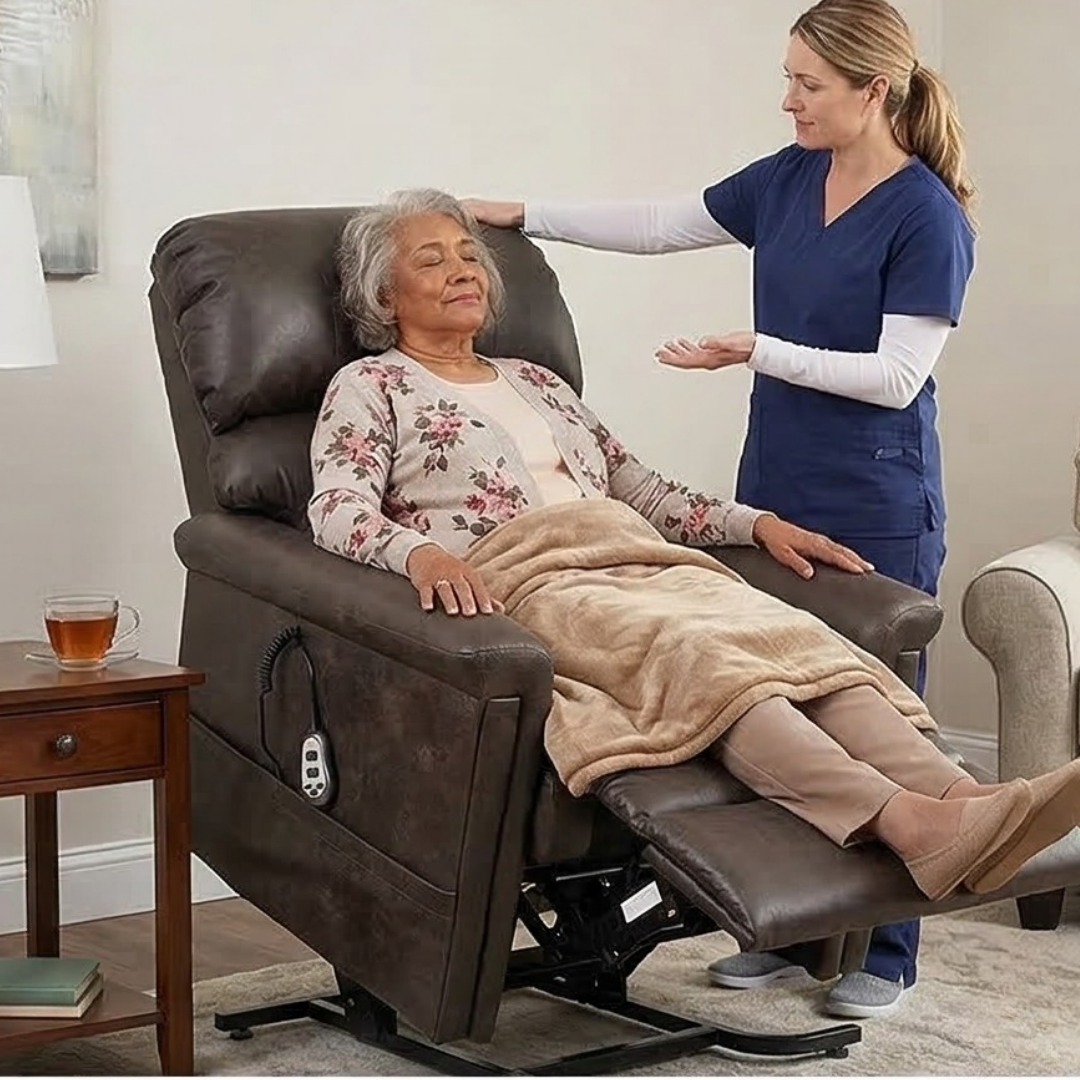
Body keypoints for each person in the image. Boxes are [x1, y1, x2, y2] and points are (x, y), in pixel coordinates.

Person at [308, 189, 1079, 940]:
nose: (465, 269)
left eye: (470, 254)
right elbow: (336, 505)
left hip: (640, 559)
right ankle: (908, 823)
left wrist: (759, 524)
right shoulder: (373, 385)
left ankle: (970, 803)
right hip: (533, 579)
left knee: (794, 642)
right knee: (696, 654)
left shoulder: (537, 381)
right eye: (434, 260)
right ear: (383, 294)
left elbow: (637, 487)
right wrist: (421, 553)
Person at [464, 0, 976, 1019]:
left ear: (874, 91)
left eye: (809, 84)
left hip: (876, 487)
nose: (788, 99)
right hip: (776, 476)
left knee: (872, 698)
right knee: (771, 690)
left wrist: (756, 348)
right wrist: (524, 214)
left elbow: (897, 375)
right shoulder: (788, 177)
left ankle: (889, 956)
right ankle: (790, 934)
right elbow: (663, 224)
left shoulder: (928, 214)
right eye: (786, 77)